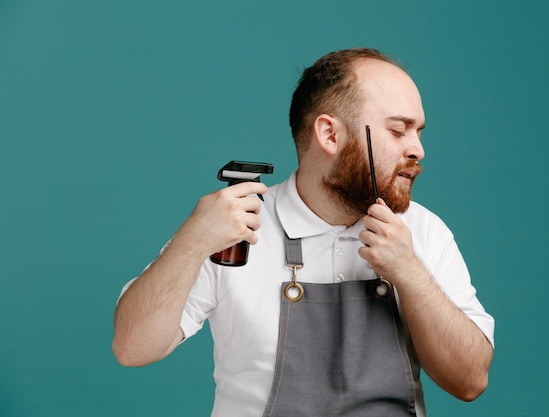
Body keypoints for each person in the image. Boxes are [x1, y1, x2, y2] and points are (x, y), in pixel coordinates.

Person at [113, 48, 495, 417]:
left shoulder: (423, 230)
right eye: (398, 130)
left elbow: (470, 381)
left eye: (419, 132)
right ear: (329, 135)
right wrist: (193, 240)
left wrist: (408, 271)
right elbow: (133, 348)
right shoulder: (234, 229)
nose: (418, 149)